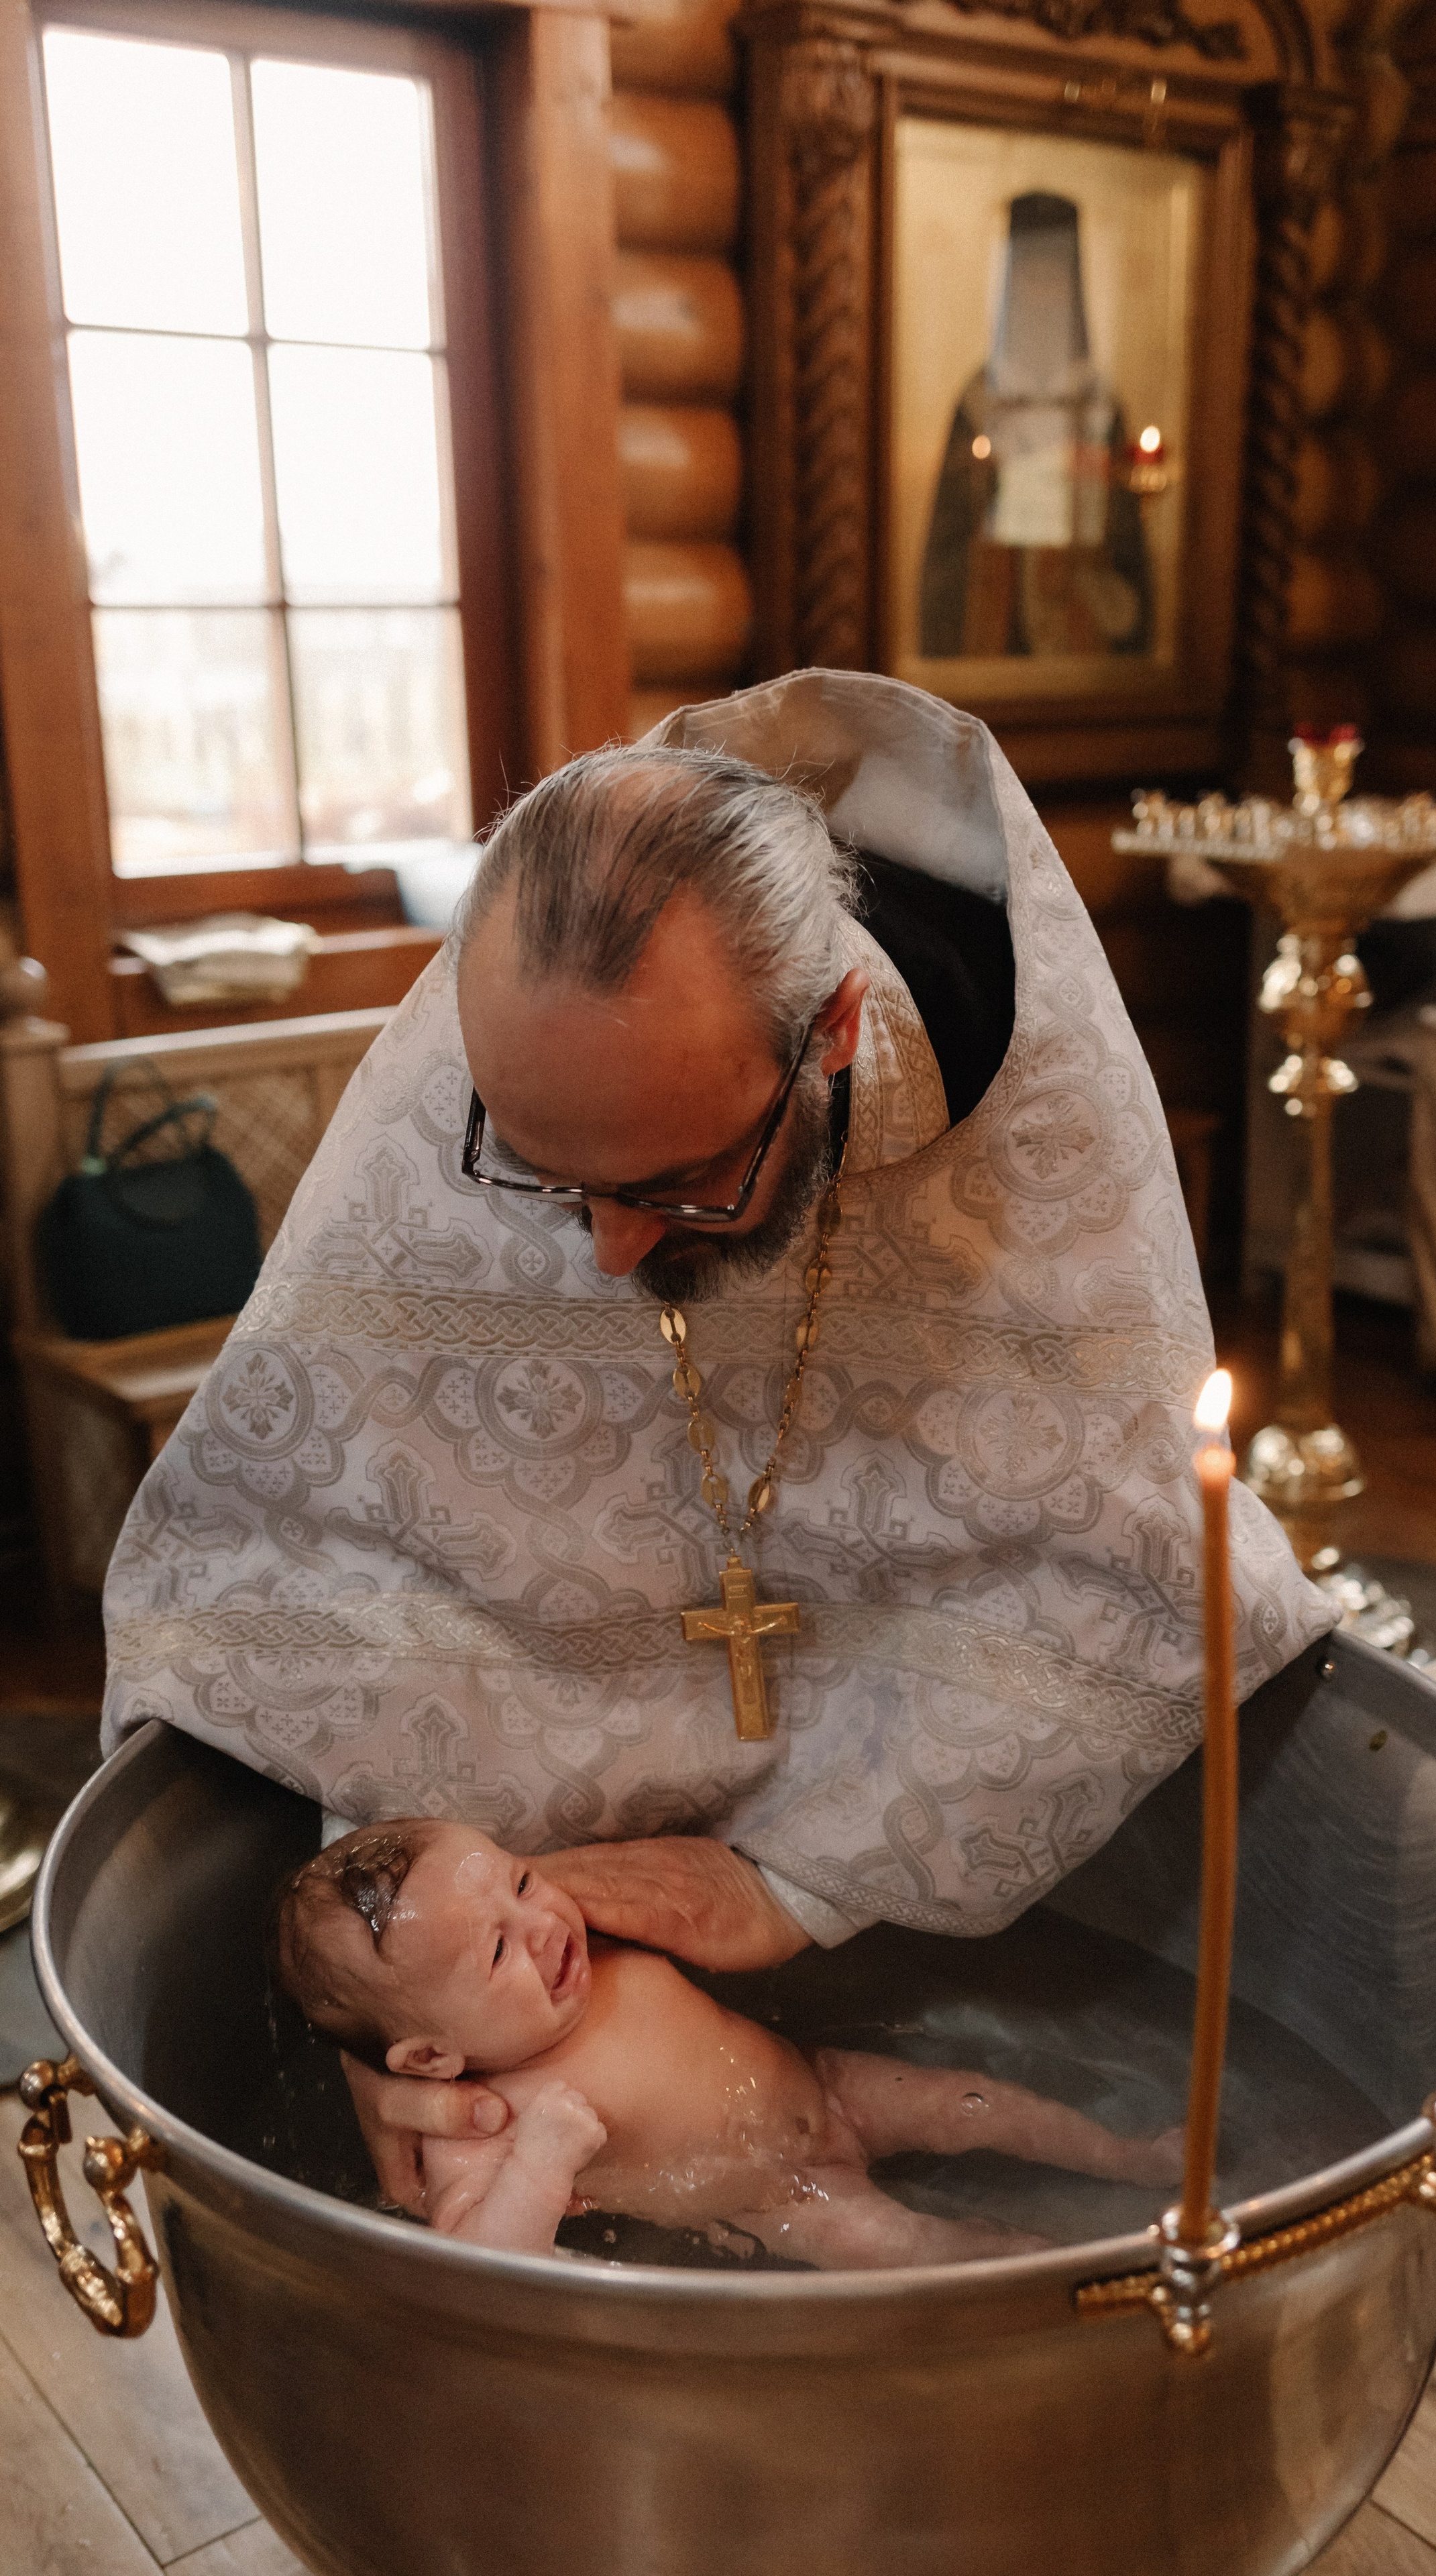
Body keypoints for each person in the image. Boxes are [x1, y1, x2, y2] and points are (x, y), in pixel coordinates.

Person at [104, 669, 1331, 2208]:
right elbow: (309, 1550)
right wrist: (395, 2004)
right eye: (550, 1180)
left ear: (829, 1034)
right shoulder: (509, 1049)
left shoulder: (1021, 1125)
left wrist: (804, 1878)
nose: (608, 1250)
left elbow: (1133, 1575)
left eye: (675, 1183)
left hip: (919, 1958)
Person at [273, 1819, 1182, 2263]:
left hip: (824, 2087)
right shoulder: (479, 2124)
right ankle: (1062, 2270)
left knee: (974, 2102)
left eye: (519, 1880)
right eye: (499, 1947)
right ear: (428, 2058)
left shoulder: (581, 1950)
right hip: (782, 2197)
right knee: (913, 2252)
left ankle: (1125, 2156)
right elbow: (477, 2266)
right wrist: (542, 2160)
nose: (544, 1920)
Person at [919, 192, 1152, 661]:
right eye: (1029, 277)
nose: (1042, 295)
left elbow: (1129, 557)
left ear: (1074, 290)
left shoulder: (1100, 407)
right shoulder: (978, 404)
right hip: (994, 652)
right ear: (1010, 287)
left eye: (1054, 279)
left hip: (1080, 661)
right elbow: (944, 559)